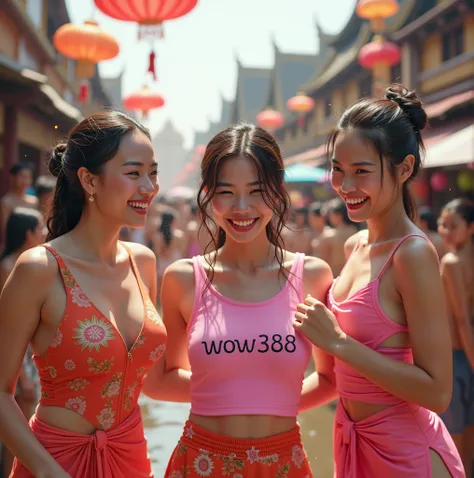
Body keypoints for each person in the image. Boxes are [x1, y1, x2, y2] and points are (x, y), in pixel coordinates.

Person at [143, 123, 336, 477]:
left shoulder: (313, 276)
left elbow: (330, 379)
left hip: (283, 463)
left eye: (256, 191)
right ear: (208, 195)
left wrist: (274, 402)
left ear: (278, 193)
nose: (242, 207)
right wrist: (221, 398)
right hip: (202, 462)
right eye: (226, 192)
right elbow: (158, 380)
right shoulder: (183, 279)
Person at [294, 84, 464, 477]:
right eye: (337, 169)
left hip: (405, 453)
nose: (345, 186)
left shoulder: (412, 254)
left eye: (362, 171)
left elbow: (438, 392)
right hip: (353, 441)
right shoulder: (355, 245)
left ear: (404, 169)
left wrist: (338, 342)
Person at [0, 111, 167, 478]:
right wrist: (48, 471)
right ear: (89, 180)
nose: (149, 187)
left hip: (132, 459)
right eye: (133, 172)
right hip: (56, 463)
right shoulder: (39, 269)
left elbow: (154, 378)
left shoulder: (144, 262)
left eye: (152, 172)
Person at [0, 208, 46, 477]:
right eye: (40, 228)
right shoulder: (10, 268)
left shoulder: (25, 265)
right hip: (15, 349)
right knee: (21, 418)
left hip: (25, 349)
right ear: (28, 234)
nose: (43, 233)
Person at [437, 198, 474, 477]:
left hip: (458, 360)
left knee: (455, 442)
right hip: (468, 357)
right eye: (442, 224)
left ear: (471, 227)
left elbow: (461, 319)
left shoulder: (451, 261)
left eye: (452, 225)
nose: (444, 230)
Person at [313, 198, 358, 276]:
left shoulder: (329, 236)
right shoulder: (354, 231)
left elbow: (319, 261)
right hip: (351, 276)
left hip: (333, 277)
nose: (329, 217)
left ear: (338, 215)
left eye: (330, 214)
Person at [0, 164, 38, 243]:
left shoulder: (35, 201)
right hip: (14, 243)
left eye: (28, 177)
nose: (25, 181)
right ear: (13, 178)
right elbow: (5, 229)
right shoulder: (6, 202)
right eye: (22, 177)